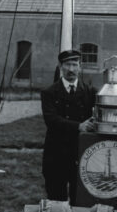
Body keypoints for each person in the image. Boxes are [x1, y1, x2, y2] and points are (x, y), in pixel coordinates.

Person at [40, 49, 96, 204]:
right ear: (60, 66)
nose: (71, 69)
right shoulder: (49, 93)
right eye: (67, 65)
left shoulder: (90, 92)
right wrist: (79, 126)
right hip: (56, 156)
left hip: (81, 155)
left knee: (81, 201)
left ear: (80, 66)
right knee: (56, 201)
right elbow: (51, 120)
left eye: (74, 64)